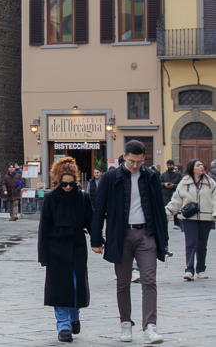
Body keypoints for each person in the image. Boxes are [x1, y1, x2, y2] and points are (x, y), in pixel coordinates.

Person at [90, 140, 167, 344]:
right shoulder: (109, 178)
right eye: (132, 161)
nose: (135, 166)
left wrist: (164, 241)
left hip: (146, 234)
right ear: (124, 156)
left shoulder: (151, 177)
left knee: (149, 281)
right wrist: (96, 239)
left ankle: (150, 327)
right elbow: (98, 209)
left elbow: (160, 210)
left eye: (140, 162)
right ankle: (126, 324)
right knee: (123, 284)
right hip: (120, 236)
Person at [38, 156, 93, 343]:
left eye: (71, 184)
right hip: (55, 249)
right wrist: (43, 256)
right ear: (57, 181)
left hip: (77, 246)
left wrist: (98, 241)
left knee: (76, 284)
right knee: (59, 287)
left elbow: (91, 222)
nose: (68, 187)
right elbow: (43, 228)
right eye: (64, 184)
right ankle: (63, 325)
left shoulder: (84, 198)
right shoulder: (50, 198)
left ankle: (74, 315)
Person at [165, 158, 216, 281]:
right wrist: (166, 213)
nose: (201, 167)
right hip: (189, 217)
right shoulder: (184, 182)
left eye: (202, 165)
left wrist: (215, 213)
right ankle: (189, 270)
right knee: (191, 243)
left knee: (202, 244)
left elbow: (215, 199)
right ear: (192, 168)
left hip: (206, 217)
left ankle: (201, 269)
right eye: (198, 165)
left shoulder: (210, 182)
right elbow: (177, 200)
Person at [161, 161, 183, 230]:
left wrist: (173, 186)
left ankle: (177, 224)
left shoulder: (178, 175)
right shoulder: (164, 174)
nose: (169, 166)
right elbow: (159, 183)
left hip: (175, 194)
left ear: (173, 165)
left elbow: (181, 185)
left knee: (176, 209)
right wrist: (165, 184)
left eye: (170, 165)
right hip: (165, 195)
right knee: (165, 210)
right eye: (168, 165)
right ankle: (164, 224)